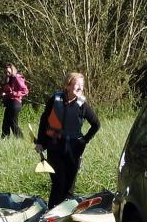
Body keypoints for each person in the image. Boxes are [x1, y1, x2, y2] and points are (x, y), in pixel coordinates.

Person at [34, 72, 100, 207]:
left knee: (69, 187)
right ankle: (51, 214)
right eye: (77, 84)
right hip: (54, 148)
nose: (81, 88)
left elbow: (96, 124)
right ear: (67, 85)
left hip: (74, 151)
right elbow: (44, 120)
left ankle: (67, 217)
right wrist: (40, 142)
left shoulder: (83, 105)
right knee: (59, 183)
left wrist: (85, 140)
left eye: (82, 85)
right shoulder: (55, 99)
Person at [0, 62, 28, 138]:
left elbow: (25, 91)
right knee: (5, 123)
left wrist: (13, 93)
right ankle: (4, 139)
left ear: (12, 70)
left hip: (15, 102)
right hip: (9, 102)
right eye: (5, 72)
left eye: (8, 71)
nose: (6, 73)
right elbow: (7, 90)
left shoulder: (17, 77)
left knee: (13, 123)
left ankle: (21, 139)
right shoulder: (8, 79)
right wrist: (4, 93)